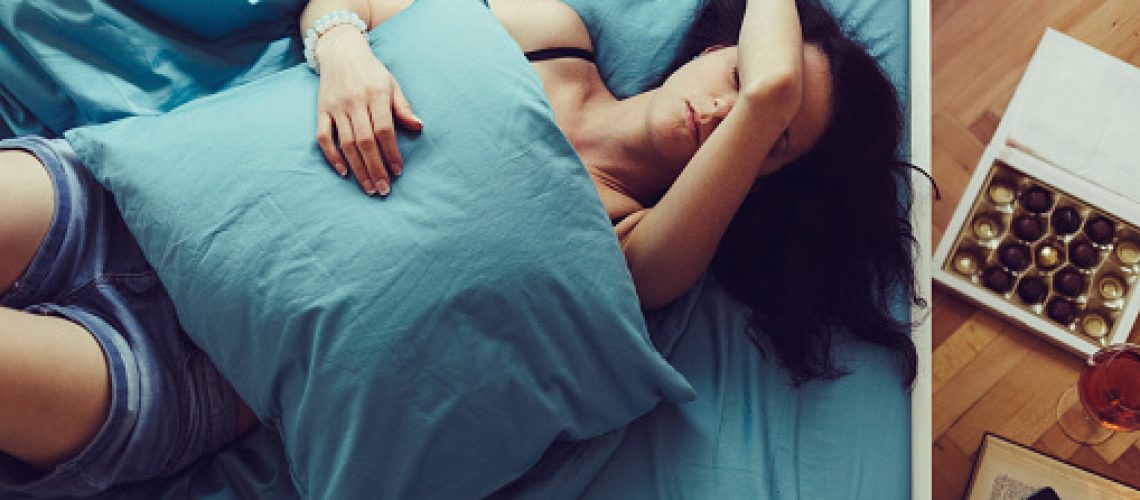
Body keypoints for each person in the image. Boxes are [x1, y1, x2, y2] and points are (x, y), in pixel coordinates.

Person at [0, 0, 918, 496]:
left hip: (181, 379)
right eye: (738, 77)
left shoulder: (642, 254)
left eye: (771, 134)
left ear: (759, 167)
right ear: (713, 45)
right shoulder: (550, 34)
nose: (729, 105)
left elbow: (754, 107)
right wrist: (344, 46)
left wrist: (769, 99)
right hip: (113, 201)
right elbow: (341, 6)